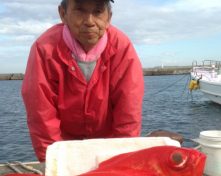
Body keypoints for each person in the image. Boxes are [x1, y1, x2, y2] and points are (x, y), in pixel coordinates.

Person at [22, 0, 144, 162]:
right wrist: (52, 161)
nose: (90, 22)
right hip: (64, 144)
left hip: (109, 144)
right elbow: (41, 115)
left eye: (98, 12)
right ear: (63, 14)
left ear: (109, 17)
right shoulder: (44, 49)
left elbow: (128, 113)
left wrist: (121, 160)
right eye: (80, 10)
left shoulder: (122, 48)